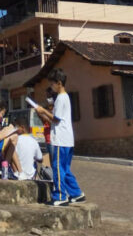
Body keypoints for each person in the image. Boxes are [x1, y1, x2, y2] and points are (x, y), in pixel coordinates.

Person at [35, 69, 85, 206]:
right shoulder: (65, 97)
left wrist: (43, 110)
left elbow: (56, 119)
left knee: (57, 168)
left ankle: (60, 196)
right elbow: (55, 120)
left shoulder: (61, 98)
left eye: (52, 84)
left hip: (60, 139)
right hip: (67, 139)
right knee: (65, 168)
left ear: (59, 83)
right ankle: (76, 193)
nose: (51, 87)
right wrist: (42, 113)